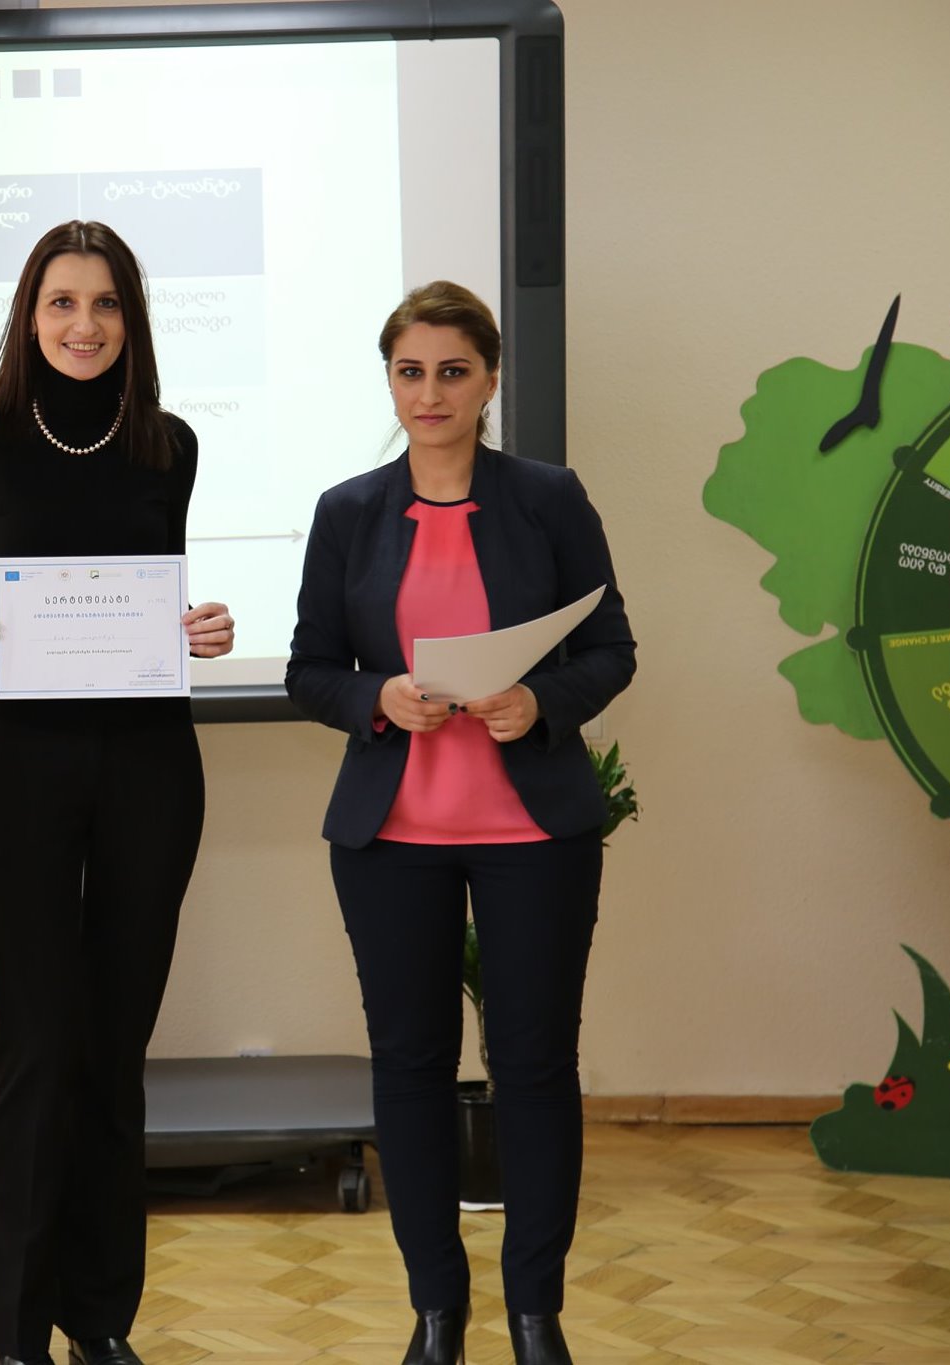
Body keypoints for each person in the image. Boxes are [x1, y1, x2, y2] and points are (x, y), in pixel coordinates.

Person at [285, 282, 635, 1365]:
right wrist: (375, 697)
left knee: (534, 1069)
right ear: (388, 381)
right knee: (409, 1068)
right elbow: (309, 668)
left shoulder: (546, 497)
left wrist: (542, 700)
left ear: (488, 380)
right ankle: (436, 1311)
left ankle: (535, 1315)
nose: (428, 393)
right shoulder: (348, 510)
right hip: (390, 837)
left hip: (533, 832)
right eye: (409, 371)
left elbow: (610, 647)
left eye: (451, 371)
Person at [0, 221, 235, 1365]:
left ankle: (98, 1320)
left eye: (103, 303)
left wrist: (201, 628)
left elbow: (161, 590)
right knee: (38, 1046)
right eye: (61, 302)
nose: (82, 324)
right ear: (29, 314)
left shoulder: (169, 444)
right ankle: (14, 1334)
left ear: (129, 319)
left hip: (150, 766)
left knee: (113, 1049)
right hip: (23, 772)